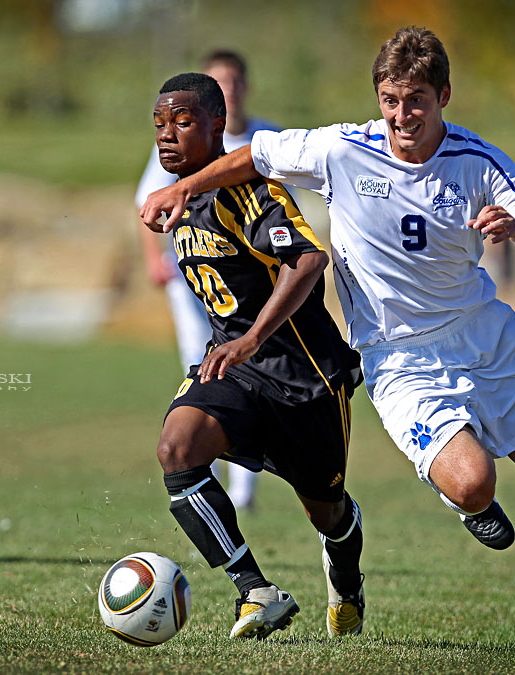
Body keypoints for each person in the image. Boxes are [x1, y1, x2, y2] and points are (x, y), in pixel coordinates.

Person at [141, 27, 515, 654]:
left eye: (416, 100)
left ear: (444, 95)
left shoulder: (479, 163)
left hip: (487, 337)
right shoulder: (341, 148)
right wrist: (183, 187)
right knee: (474, 485)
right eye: (390, 99)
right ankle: (457, 507)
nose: (401, 114)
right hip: (400, 354)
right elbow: (256, 154)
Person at [148, 72, 365, 639]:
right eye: (159, 125)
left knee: (329, 512)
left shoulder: (247, 192)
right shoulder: (181, 198)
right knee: (178, 449)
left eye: (183, 122)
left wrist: (253, 339)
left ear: (219, 124)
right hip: (235, 369)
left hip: (305, 377)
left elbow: (308, 262)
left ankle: (345, 576)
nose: (167, 135)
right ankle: (256, 591)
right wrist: (235, 347)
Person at [135, 50, 279, 511]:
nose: (229, 88)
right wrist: (153, 257)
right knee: (202, 366)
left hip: (250, 284)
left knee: (241, 369)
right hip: (192, 280)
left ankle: (243, 488)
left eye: (234, 80)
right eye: (220, 81)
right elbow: (148, 200)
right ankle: (201, 469)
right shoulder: (178, 137)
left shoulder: (268, 138)